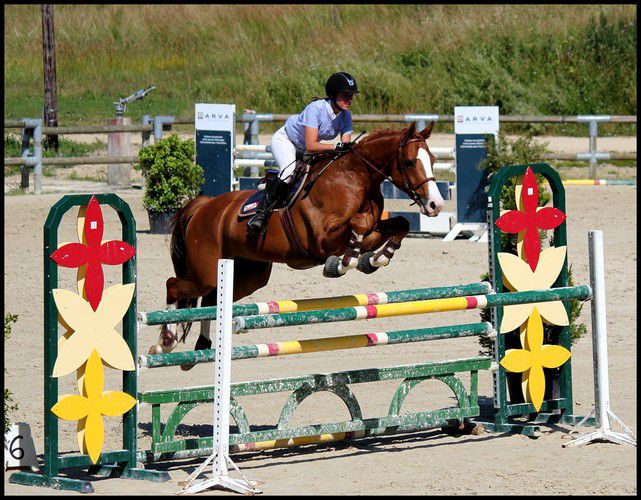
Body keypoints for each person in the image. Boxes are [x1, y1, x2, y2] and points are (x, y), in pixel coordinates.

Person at [246, 71, 359, 233]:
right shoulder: (315, 109)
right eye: (345, 95)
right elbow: (311, 145)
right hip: (287, 141)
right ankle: (260, 213)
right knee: (288, 172)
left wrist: (348, 148)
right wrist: (336, 146)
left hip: (305, 148)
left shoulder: (346, 115)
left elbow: (345, 146)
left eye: (351, 95)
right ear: (333, 95)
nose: (349, 99)